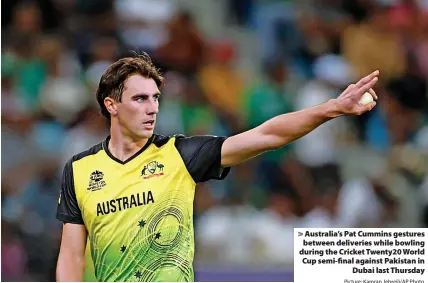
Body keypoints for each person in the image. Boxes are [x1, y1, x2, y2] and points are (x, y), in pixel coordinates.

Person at [56, 53, 378, 282]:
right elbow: (71, 255)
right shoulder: (80, 170)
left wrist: (331, 108)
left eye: (155, 98)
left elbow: (267, 135)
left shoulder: (180, 155)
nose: (152, 108)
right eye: (140, 99)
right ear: (111, 105)